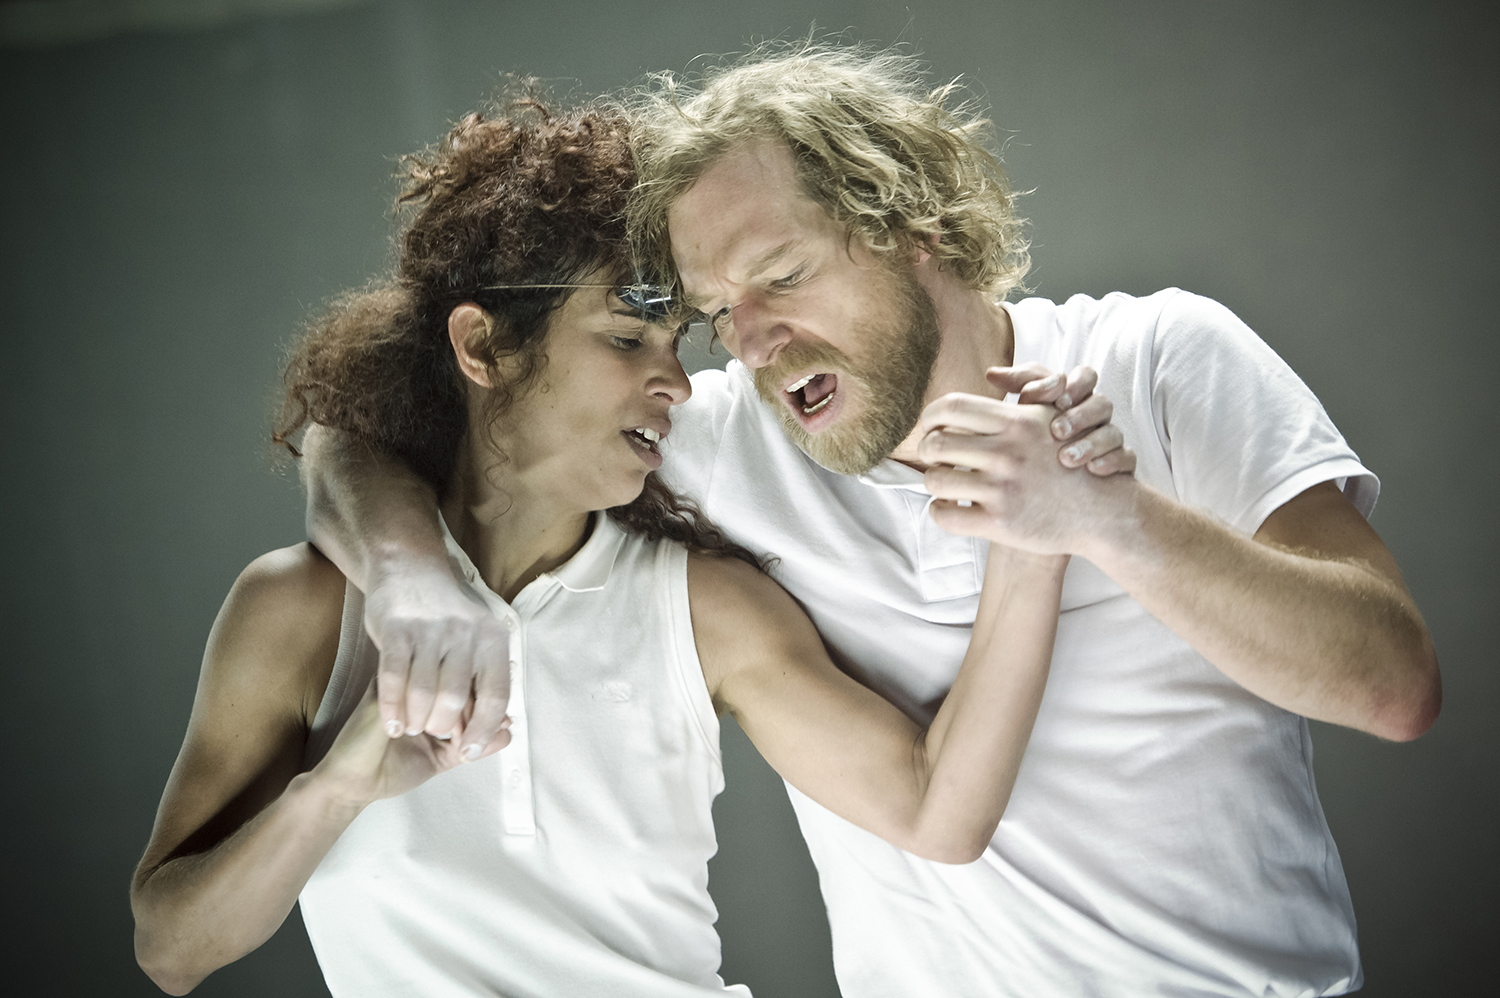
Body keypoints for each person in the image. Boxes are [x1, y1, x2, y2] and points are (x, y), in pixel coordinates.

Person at [300, 46, 1443, 997]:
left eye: (781, 275)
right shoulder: (716, 440)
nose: (750, 341)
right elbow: (355, 427)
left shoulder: (1158, 359)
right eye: (715, 313)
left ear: (913, 224)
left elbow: (1392, 683)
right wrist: (410, 576)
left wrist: (1110, 517)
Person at [129, 96, 1131, 997]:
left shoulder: (700, 604)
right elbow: (172, 948)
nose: (680, 382)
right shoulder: (300, 611)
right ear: (481, 347)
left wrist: (1037, 539)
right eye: (625, 338)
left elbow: (935, 813)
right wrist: (338, 783)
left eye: (676, 343)